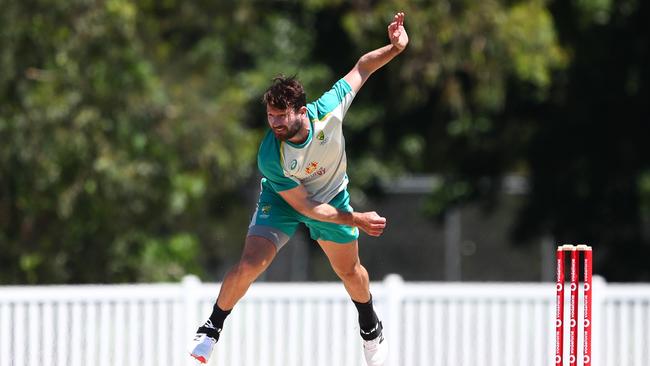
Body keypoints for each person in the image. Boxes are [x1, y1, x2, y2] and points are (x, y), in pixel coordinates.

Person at [189, 11, 408, 366]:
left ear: (301, 111)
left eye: (281, 116)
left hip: (331, 195)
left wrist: (395, 48)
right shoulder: (270, 156)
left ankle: (369, 324)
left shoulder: (330, 110)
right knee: (250, 263)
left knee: (350, 272)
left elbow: (363, 66)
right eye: (270, 117)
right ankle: (212, 326)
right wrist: (357, 218)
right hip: (287, 198)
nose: (274, 123)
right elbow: (305, 208)